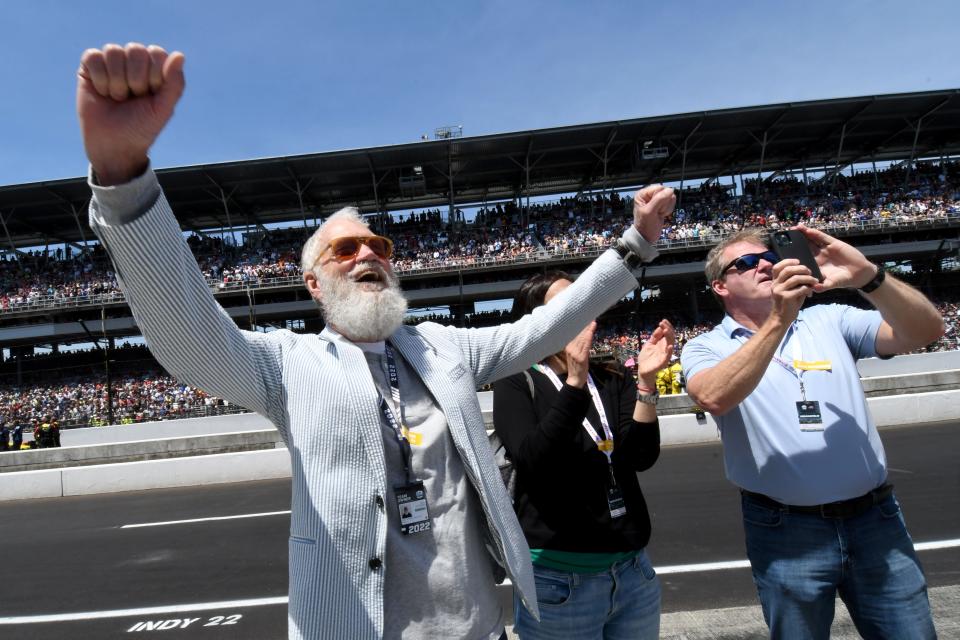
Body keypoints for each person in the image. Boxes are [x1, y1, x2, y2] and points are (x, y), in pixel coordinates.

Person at [76, 43, 676, 640]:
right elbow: (188, 336)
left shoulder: (443, 348)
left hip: (478, 628)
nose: (368, 253)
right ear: (313, 283)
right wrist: (125, 180)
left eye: (379, 246)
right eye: (346, 249)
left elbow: (542, 326)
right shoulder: (288, 363)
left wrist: (635, 245)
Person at [681, 227, 943, 639]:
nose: (765, 263)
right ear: (720, 286)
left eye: (768, 255)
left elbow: (925, 331)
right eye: (747, 263)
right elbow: (714, 396)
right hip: (787, 530)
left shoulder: (828, 318)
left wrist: (868, 278)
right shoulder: (705, 347)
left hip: (874, 519)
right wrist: (779, 320)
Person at [492, 271, 674, 639]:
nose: (580, 310)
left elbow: (640, 456)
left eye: (583, 300)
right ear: (536, 321)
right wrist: (574, 382)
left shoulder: (610, 377)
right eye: (565, 303)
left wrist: (647, 383)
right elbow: (535, 460)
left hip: (632, 571)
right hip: (560, 579)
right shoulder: (516, 379)